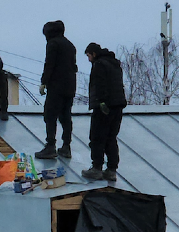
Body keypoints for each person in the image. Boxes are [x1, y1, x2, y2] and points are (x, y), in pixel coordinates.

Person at [82, 43, 127, 183]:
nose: (89, 59)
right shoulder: (115, 64)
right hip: (118, 107)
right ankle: (112, 170)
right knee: (111, 138)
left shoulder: (99, 65)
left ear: (93, 54)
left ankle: (97, 168)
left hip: (104, 107)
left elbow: (100, 84)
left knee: (97, 137)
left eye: (89, 56)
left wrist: (101, 101)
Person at [34, 21, 77, 160]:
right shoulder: (70, 45)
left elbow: (50, 64)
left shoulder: (53, 44)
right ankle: (66, 146)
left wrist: (44, 82)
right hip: (70, 86)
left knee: (50, 114)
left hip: (56, 86)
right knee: (65, 116)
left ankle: (50, 145)